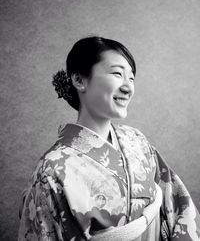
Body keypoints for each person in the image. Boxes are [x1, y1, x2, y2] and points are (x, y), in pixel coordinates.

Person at [18, 36, 200, 241]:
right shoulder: (52, 170)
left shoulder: (136, 141)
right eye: (117, 74)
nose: (128, 87)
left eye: (131, 78)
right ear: (79, 80)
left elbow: (178, 203)